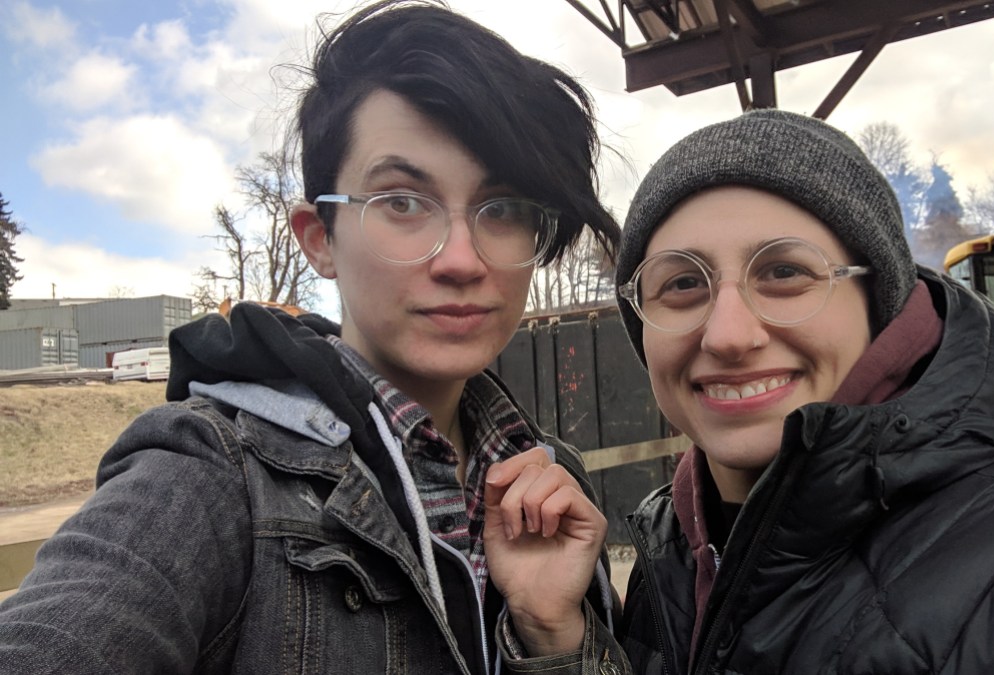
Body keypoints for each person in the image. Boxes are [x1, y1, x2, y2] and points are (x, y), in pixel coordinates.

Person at [0, 2, 631, 673]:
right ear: (318, 239)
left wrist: (554, 636)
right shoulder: (211, 475)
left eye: (501, 208)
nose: (462, 260)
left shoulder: (554, 476)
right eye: (402, 202)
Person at [611, 109, 994, 673]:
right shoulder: (666, 552)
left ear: (880, 305)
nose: (729, 335)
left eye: (784, 272)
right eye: (682, 282)